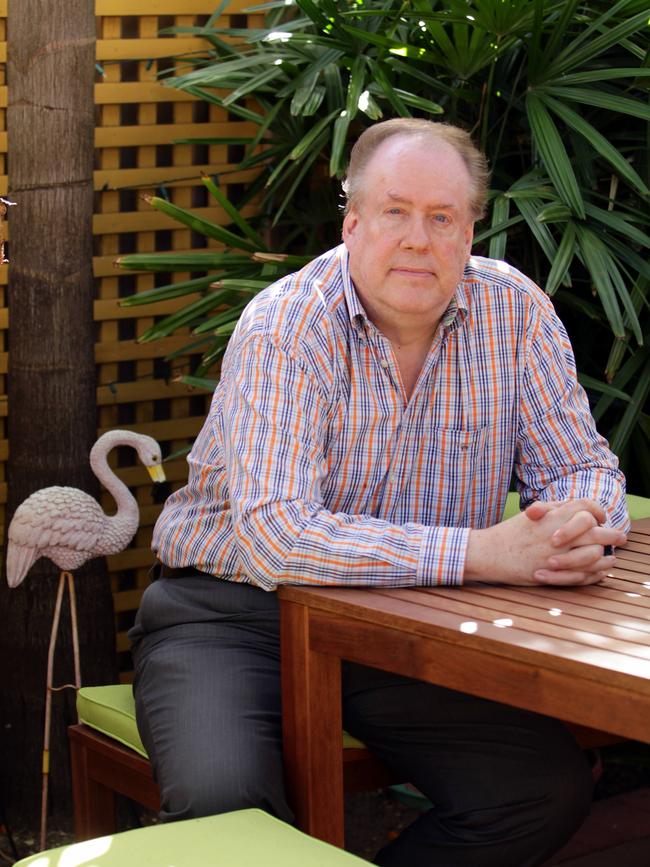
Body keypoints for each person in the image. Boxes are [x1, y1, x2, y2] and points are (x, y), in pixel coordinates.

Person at [129, 118, 629, 867]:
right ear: (354, 222)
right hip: (234, 614)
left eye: (442, 217)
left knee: (538, 790)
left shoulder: (515, 313)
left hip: (401, 623)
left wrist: (575, 522)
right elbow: (280, 535)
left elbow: (586, 467)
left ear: (469, 231)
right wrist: (486, 552)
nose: (418, 239)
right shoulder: (286, 329)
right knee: (222, 807)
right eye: (396, 212)